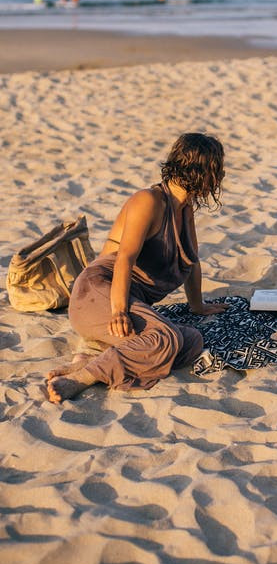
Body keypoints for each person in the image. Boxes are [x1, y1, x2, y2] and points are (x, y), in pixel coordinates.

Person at [46, 133, 228, 403]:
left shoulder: (184, 208)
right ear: (202, 170)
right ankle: (83, 378)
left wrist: (198, 305)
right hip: (98, 293)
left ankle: (90, 359)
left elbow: (192, 261)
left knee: (190, 341)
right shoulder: (149, 201)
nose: (221, 176)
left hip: (130, 298)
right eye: (218, 169)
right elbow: (124, 259)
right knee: (164, 338)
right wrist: (118, 311)